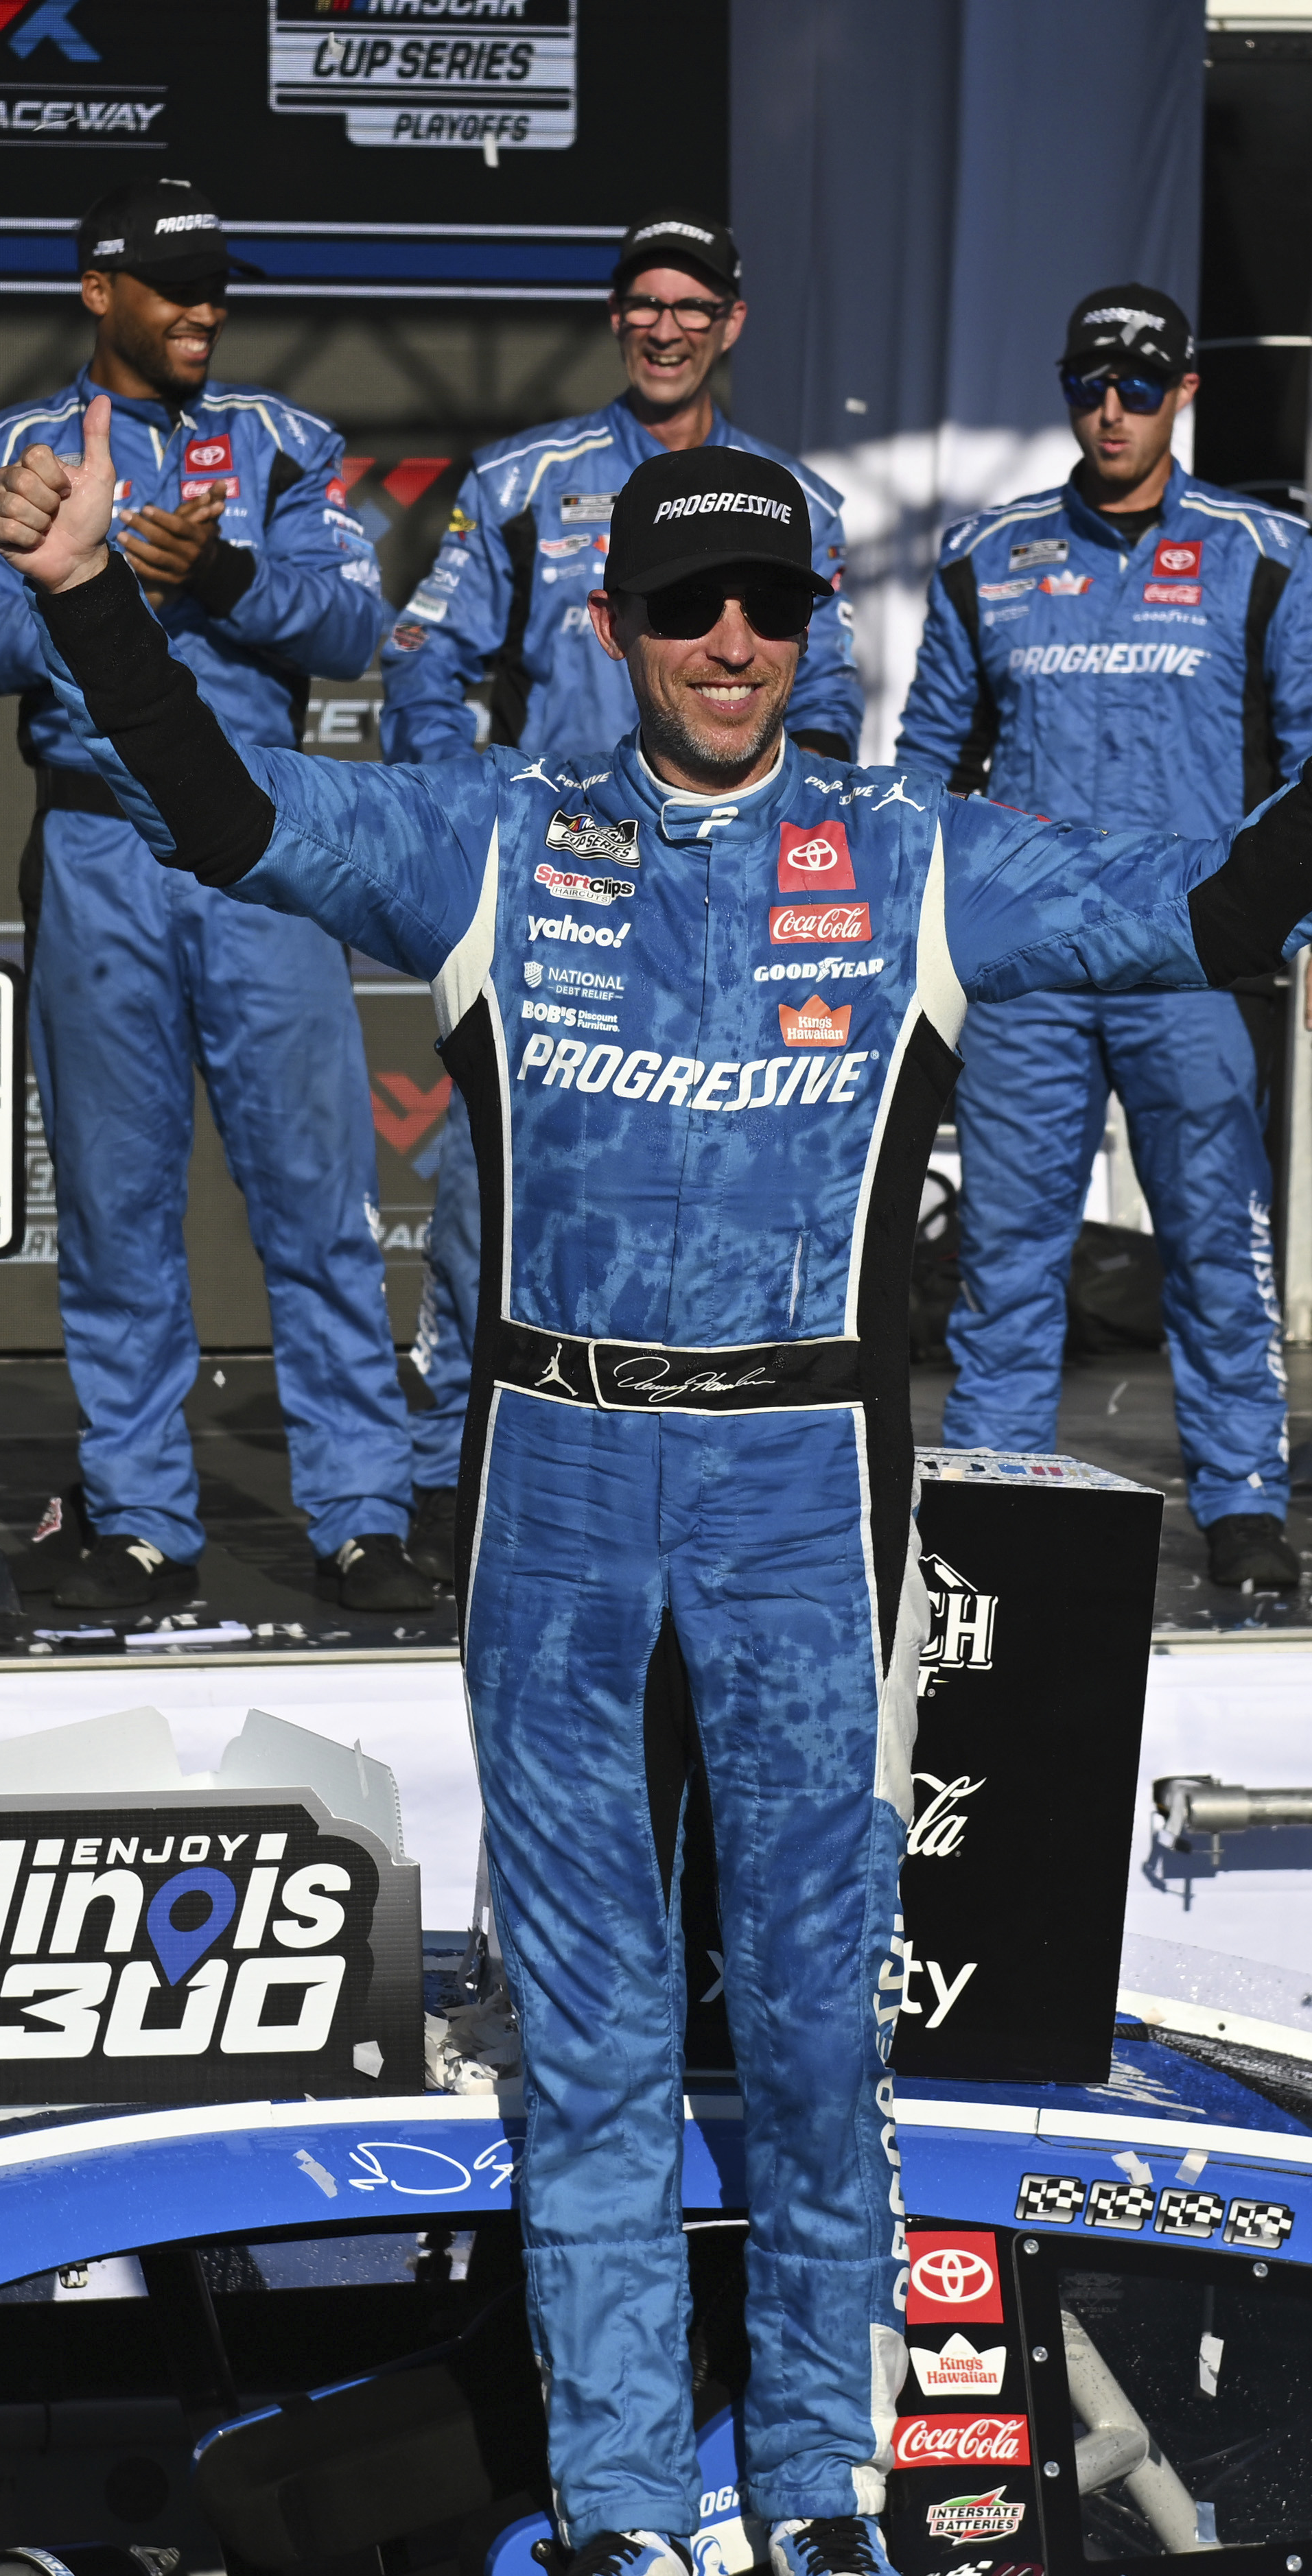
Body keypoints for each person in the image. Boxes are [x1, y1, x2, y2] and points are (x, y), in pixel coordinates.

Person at [0, 406, 1312, 2576]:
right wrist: (97, 598)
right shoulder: (506, 827)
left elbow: (1223, 901)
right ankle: (614, 2508)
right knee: (588, 2032)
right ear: (609, 630)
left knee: (814, 2030)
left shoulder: (911, 853)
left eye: (771, 604)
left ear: (815, 633)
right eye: (687, 604)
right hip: (556, 1487)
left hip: (802, 1485)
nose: (728, 639)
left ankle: (822, 2484)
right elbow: (231, 816)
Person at [0, 178, 427, 1616]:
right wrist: (58, 566)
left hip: (263, 846)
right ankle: (144, 1514)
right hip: (95, 849)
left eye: (219, 283)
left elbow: (351, 623)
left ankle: (360, 1514)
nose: (205, 305)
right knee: (115, 1205)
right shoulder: (5, 455)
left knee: (318, 1203)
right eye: (174, 282)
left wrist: (223, 571)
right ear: (99, 293)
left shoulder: (280, 444)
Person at [382, 217, 856, 1569]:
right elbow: (425, 662)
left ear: (731, 322)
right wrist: (469, 827)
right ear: (614, 321)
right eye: (641, 304)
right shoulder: (524, 481)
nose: (664, 326)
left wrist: (780, 839)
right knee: (502, 1199)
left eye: (689, 304)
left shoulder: (793, 498)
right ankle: (449, 1473)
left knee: (723, 1200)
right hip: (568, 900)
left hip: (726, 910)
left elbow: (822, 690)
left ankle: (702, 1469)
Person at [893, 283, 1312, 1593]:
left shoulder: (1261, 551)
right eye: (1090, 384)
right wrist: (915, 930)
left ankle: (1243, 1497)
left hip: (1188, 960)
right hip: (1032, 965)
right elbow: (927, 762)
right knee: (1006, 1257)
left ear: (1184, 393)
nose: (1112, 409)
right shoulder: (990, 552)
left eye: (1140, 385)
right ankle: (991, 1502)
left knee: (1218, 1242)